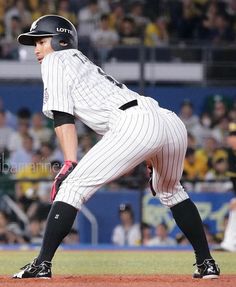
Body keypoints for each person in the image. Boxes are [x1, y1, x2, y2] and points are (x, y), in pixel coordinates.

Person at [13, 14, 220, 279]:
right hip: (167, 121)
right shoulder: (81, 63)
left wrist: (68, 162)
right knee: (172, 191)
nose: (37, 50)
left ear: (61, 40)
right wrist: (149, 148)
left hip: (134, 122)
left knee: (73, 186)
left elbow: (63, 116)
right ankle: (206, 263)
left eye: (41, 41)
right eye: (35, 44)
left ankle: (42, 264)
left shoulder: (56, 60)